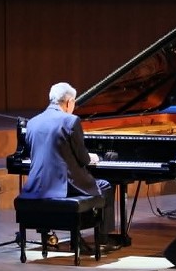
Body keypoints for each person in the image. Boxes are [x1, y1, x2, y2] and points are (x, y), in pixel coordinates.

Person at [20, 82, 118, 252]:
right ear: (68, 102)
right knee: (105, 185)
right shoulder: (71, 121)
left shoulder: (32, 122)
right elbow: (83, 159)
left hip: (37, 185)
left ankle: (73, 235)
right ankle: (102, 238)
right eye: (74, 103)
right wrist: (92, 157)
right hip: (65, 186)